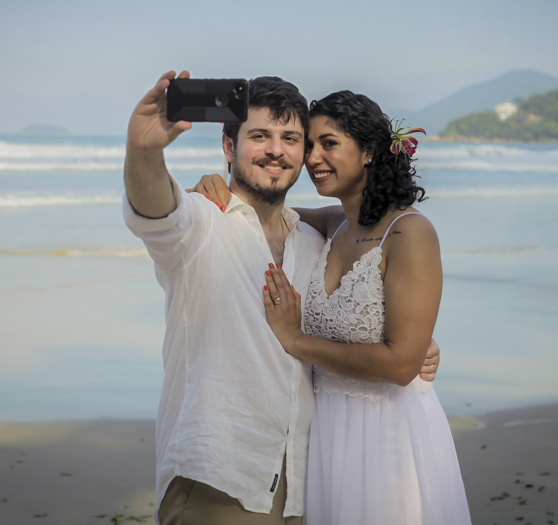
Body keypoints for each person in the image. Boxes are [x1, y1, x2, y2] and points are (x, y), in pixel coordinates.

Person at [122, 72, 440, 525]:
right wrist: (145, 150)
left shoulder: (316, 241)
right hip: (221, 479)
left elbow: (366, 286)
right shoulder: (200, 223)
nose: (278, 149)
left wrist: (415, 345)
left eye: (292, 138)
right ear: (229, 147)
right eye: (259, 136)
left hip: (306, 484)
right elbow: (153, 208)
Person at [194, 90, 471, 524]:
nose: (312, 158)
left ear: (369, 152)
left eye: (329, 143)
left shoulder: (410, 232)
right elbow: (263, 207)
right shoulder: (331, 223)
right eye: (310, 145)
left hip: (388, 434)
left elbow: (401, 365)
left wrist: (295, 340)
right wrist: (215, 187)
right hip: (325, 434)